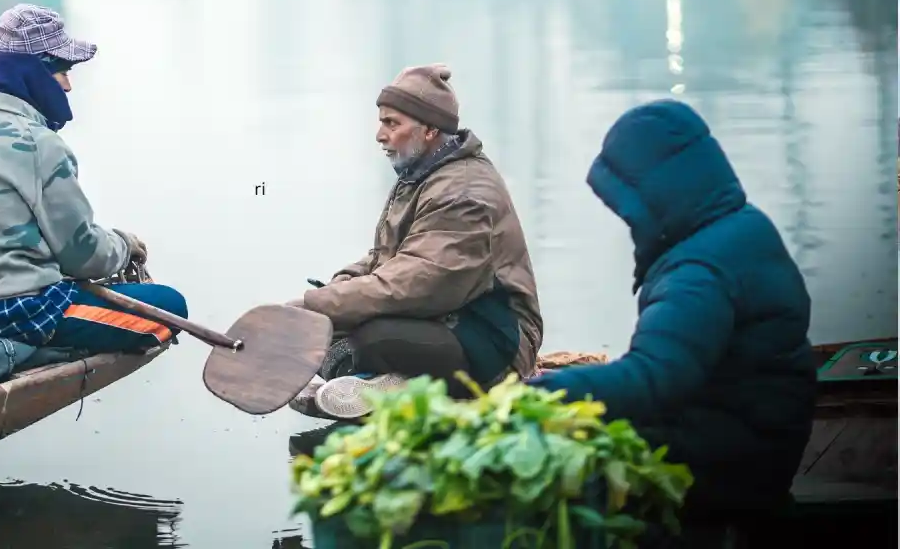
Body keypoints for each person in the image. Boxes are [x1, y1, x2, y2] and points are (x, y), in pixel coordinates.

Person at [526, 99, 816, 542]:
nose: (624, 218)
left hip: (730, 462)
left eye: (626, 203)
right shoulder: (740, 228)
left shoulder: (699, 272)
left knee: (554, 480)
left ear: (655, 195)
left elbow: (653, 378)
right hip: (758, 440)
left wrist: (545, 393)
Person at [0, 4, 188, 352]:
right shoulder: (39, 143)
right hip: (18, 313)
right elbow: (82, 255)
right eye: (62, 71)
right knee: (169, 305)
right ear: (34, 73)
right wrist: (124, 245)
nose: (68, 86)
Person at [289, 64, 544, 420]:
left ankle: (388, 387)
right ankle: (375, 384)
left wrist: (317, 304)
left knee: (373, 336)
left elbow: (416, 284)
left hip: (495, 340)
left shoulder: (464, 193)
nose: (380, 135)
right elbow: (383, 258)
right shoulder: (421, 175)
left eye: (392, 123)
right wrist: (337, 287)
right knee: (323, 329)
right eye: (381, 122)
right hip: (442, 322)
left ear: (429, 130)